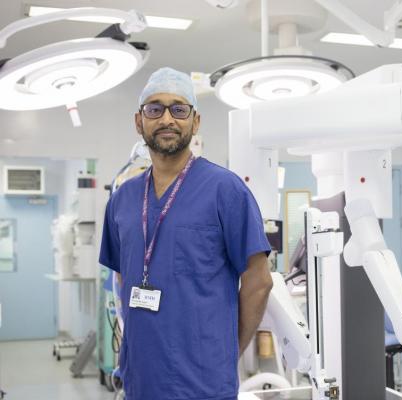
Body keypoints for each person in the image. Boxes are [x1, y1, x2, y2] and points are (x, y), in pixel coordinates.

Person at [99, 67, 273, 400]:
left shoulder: (225, 190)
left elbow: (259, 280)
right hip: (140, 378)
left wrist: (224, 353)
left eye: (179, 109)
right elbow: (122, 276)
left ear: (195, 122)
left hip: (203, 383)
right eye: (155, 109)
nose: (167, 118)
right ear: (139, 122)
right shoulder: (123, 198)